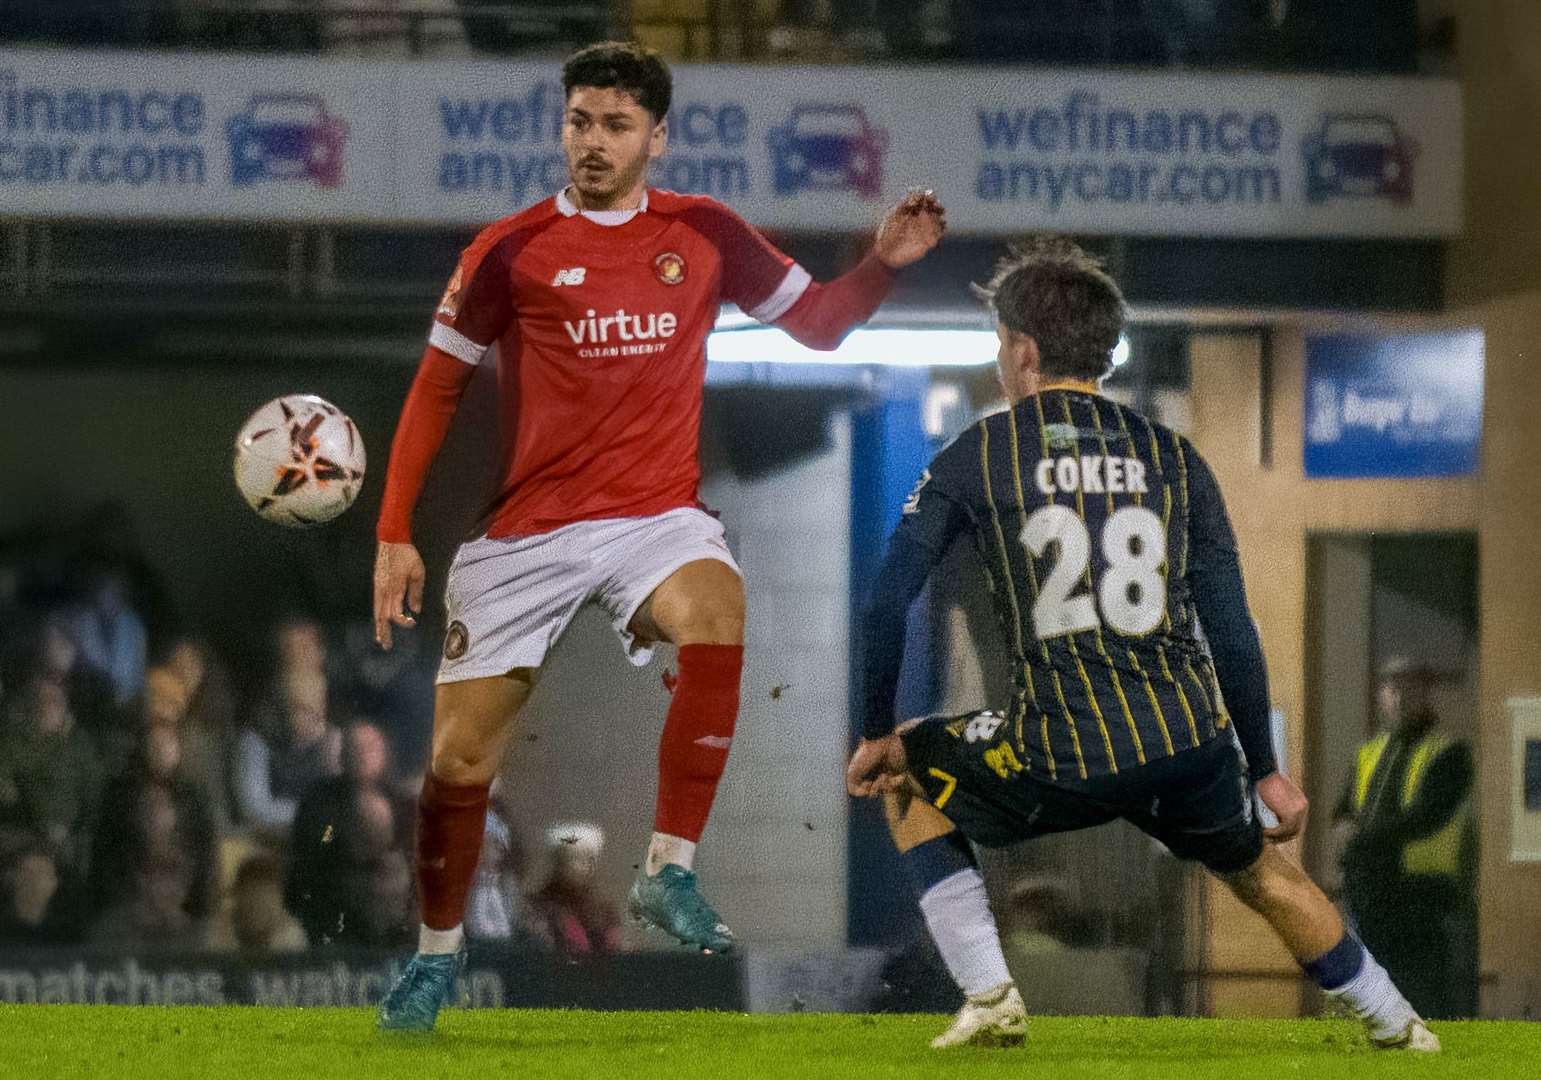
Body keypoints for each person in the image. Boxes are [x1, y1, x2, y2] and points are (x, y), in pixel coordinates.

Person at [371, 40, 945, 1031]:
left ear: (656, 137)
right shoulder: (506, 251)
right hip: (526, 531)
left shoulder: (705, 232)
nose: (592, 143)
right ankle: (432, 958)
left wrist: (878, 267)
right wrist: (394, 530)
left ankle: (666, 873)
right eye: (579, 122)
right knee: (457, 769)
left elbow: (813, 325)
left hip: (652, 515)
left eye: (615, 125)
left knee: (718, 611)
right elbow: (436, 385)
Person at [845, 237, 1440, 1052]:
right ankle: (1399, 1025)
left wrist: (877, 728)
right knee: (1265, 877)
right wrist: (1264, 769)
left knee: (906, 767)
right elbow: (1227, 623)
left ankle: (988, 993)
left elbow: (887, 602)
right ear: (1103, 351)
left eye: (999, 343)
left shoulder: (980, 452)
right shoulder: (1174, 456)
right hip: (1186, 743)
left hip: (1061, 747)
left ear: (1020, 349)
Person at [1335, 657, 1476, 1018]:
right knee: (1374, 1009)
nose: (1398, 697)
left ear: (1425, 694)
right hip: (1371, 898)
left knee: (1424, 1005)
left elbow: (1425, 818)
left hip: (1422, 901)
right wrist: (1346, 831)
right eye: (1390, 688)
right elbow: (1342, 811)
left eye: (1408, 688)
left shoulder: (1449, 754)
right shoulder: (1368, 753)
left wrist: (1359, 837)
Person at [525, 823, 622, 958]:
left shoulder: (604, 909)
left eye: (587, 859)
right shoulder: (538, 905)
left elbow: (614, 951)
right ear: (559, 864)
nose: (582, 866)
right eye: (573, 858)